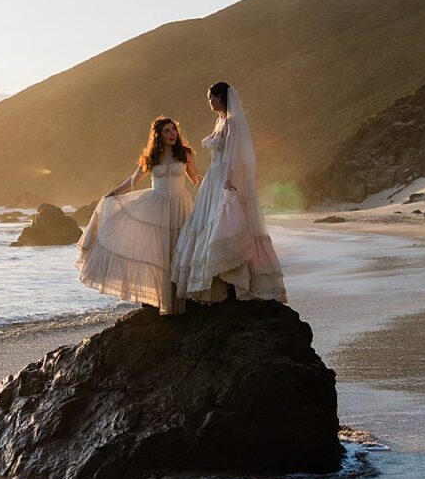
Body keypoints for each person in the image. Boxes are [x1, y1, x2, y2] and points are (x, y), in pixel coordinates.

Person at [172, 81, 287, 304]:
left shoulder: (233, 122)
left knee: (224, 223)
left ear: (220, 97)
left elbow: (236, 154)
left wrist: (229, 180)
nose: (209, 102)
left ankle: (236, 275)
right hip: (213, 176)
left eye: (211, 98)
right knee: (207, 223)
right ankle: (215, 277)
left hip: (224, 176)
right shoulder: (219, 121)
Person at [76, 116, 200, 315]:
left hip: (180, 206)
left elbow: (195, 178)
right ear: (158, 135)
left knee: (180, 249)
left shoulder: (185, 154)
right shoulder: (152, 156)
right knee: (159, 254)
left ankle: (182, 298)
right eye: (167, 131)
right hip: (156, 208)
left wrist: (218, 183)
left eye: (174, 130)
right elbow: (132, 180)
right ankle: (160, 299)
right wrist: (113, 193)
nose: (172, 134)